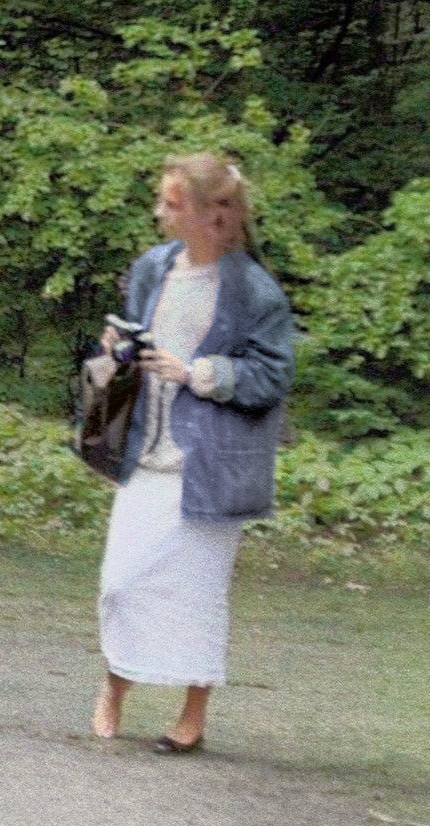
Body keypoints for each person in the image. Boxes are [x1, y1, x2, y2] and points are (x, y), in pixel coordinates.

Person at [85, 153, 294, 754]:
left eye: (172, 204)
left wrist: (198, 372)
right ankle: (114, 689)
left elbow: (271, 376)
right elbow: (134, 329)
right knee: (121, 583)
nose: (158, 212)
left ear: (208, 215)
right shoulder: (153, 266)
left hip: (211, 464)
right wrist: (117, 342)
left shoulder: (255, 291)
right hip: (145, 453)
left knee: (197, 591)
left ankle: (191, 719)